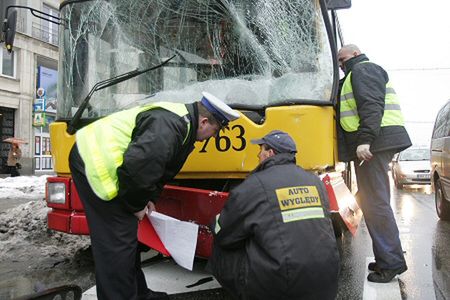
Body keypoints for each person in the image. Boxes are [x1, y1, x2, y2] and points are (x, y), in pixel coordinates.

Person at [68, 92, 240, 300]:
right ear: (204, 122)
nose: (213, 137)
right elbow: (137, 169)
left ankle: (138, 294)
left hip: (112, 165)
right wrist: (136, 204)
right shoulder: (169, 127)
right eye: (215, 131)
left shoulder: (182, 125)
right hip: (94, 162)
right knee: (116, 242)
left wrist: (148, 198)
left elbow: (158, 169)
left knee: (126, 237)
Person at [210, 130, 340, 300]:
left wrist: (215, 223)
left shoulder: (253, 185)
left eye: (260, 150)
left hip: (280, 286)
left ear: (270, 153)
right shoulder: (315, 182)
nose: (258, 155)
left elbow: (225, 235)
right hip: (326, 280)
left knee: (220, 244)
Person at [337, 44, 412, 283]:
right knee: (370, 201)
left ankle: (391, 263)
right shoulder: (356, 72)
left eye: (343, 59)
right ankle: (386, 258)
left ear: (355, 55)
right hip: (376, 144)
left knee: (376, 203)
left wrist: (365, 140)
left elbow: (371, 105)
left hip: (375, 144)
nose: (341, 65)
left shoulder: (363, 69)